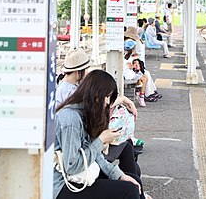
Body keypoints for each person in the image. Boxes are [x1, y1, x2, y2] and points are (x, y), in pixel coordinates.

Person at [54, 70, 152, 199]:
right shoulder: (70, 119)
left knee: (133, 181)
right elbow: (72, 166)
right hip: (63, 186)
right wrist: (100, 141)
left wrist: (119, 175)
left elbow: (97, 157)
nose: (107, 102)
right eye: (106, 96)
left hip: (80, 176)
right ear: (95, 94)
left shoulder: (86, 113)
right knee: (129, 190)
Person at [123, 39, 148, 107]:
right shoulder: (127, 58)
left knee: (143, 77)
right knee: (145, 79)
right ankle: (141, 96)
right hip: (129, 75)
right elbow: (130, 66)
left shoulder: (125, 55)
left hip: (127, 74)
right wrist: (135, 65)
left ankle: (138, 92)